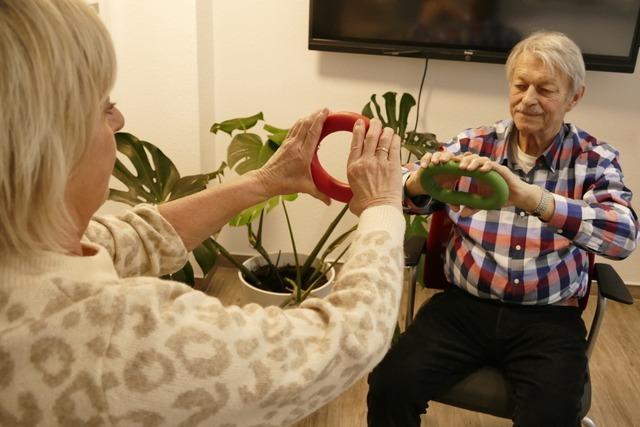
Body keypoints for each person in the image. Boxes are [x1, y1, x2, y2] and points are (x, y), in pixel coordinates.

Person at [0, 0, 405, 425]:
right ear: (46, 148)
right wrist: (381, 206)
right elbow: (345, 340)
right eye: (103, 107)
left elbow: (136, 238)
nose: (119, 119)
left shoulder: (22, 254)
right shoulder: (119, 338)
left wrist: (264, 181)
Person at [367, 30, 639, 427]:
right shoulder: (474, 144)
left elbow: (623, 236)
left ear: (573, 97)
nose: (528, 99)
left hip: (547, 320)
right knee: (390, 385)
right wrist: (419, 183)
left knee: (551, 416)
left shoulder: (594, 159)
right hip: (463, 309)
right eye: (521, 85)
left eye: (545, 89)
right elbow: (401, 189)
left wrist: (533, 198)